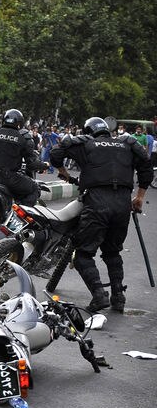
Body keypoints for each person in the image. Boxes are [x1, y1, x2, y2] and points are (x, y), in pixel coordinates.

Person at [51, 117, 152, 313]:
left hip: (97, 202)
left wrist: (63, 171)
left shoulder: (85, 143)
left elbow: (57, 152)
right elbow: (146, 164)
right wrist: (139, 197)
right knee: (113, 252)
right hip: (123, 203)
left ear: (89, 130)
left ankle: (99, 295)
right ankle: (118, 296)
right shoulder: (128, 142)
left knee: (82, 255)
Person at [0, 109, 47, 205]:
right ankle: (20, 215)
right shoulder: (23, 137)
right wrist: (45, 165)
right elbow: (32, 163)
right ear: (20, 123)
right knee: (34, 188)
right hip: (10, 178)